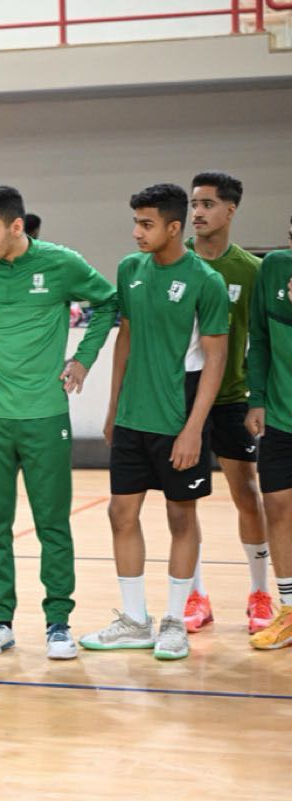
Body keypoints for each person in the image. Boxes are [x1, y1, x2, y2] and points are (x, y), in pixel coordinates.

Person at [0, 186, 117, 660]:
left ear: (16, 226)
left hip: (45, 418)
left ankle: (58, 623)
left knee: (52, 525)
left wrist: (83, 358)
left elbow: (108, 302)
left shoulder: (61, 264)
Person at [80, 183, 228, 661]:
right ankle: (134, 620)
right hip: (132, 417)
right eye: (136, 223)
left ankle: (175, 622)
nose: (137, 232)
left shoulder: (205, 281)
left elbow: (216, 359)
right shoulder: (130, 269)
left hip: (178, 417)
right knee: (120, 514)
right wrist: (112, 408)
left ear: (174, 227)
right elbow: (125, 338)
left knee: (181, 517)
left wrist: (193, 428)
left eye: (147, 224)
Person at [182, 172, 270, 634]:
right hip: (181, 400)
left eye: (208, 204)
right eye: (194, 204)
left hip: (233, 399)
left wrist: (259, 398)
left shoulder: (251, 270)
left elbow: (264, 340)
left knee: (247, 495)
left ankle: (259, 593)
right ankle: (195, 595)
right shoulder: (173, 262)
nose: (197, 213)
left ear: (230, 210)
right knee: (184, 501)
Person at [246, 223, 292, 650]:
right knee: (276, 507)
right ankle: (289, 610)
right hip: (280, 417)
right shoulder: (274, 267)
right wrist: (256, 398)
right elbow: (258, 338)